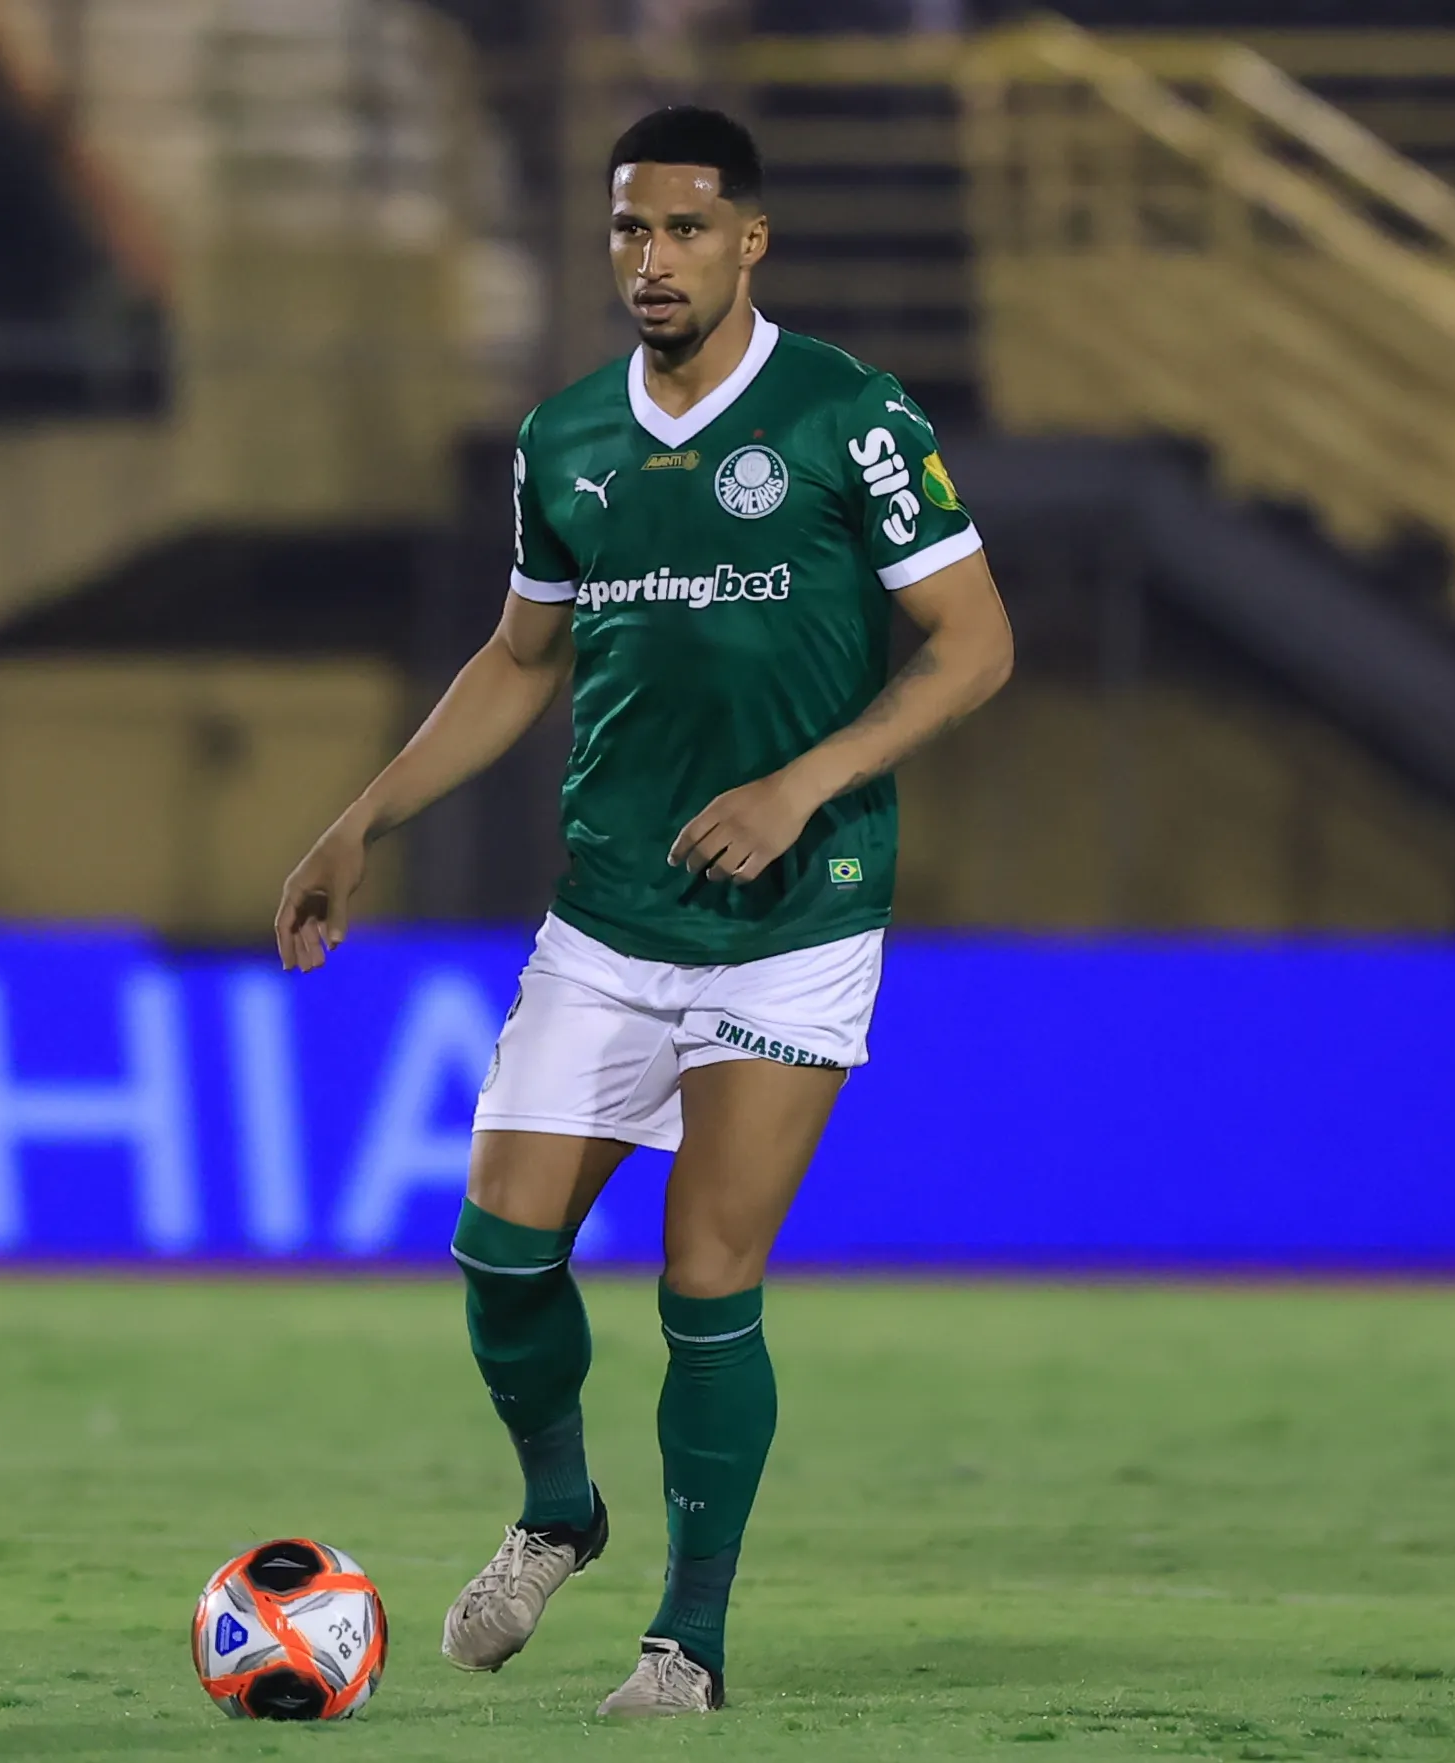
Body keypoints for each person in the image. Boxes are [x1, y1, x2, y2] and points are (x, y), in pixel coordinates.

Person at [271, 104, 1014, 1717]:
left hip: (797, 921)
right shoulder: (567, 442)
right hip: (609, 919)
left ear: (750, 240)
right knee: (499, 1254)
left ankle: (687, 1640)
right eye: (628, 230)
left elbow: (973, 644)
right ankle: (560, 1511)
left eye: (685, 229)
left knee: (704, 1279)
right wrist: (362, 814)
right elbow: (520, 661)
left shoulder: (845, 418)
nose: (652, 259)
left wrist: (800, 788)